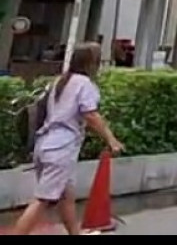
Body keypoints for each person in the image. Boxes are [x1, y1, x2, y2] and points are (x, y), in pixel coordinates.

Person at [12, 42, 123, 236]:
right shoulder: (84, 84)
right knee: (42, 200)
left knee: (66, 197)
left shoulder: (60, 81)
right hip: (61, 148)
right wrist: (111, 139)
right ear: (91, 63)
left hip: (46, 143)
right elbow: (90, 114)